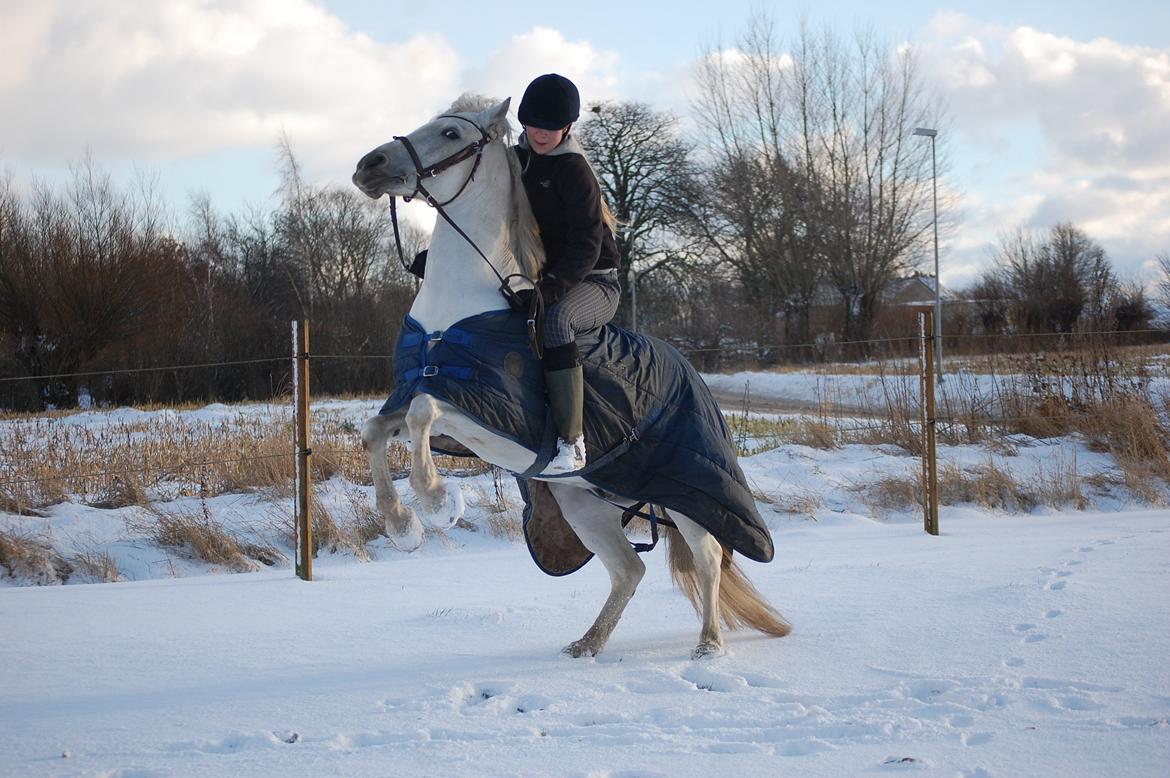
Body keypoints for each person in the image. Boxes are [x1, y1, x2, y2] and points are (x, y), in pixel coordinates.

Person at [513, 73, 621, 474]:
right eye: (534, 125)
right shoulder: (516, 161)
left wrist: (554, 287)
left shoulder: (573, 170)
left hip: (594, 280)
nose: (541, 134)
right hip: (545, 276)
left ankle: (572, 442)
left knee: (556, 321)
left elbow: (587, 243)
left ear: (568, 127)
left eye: (552, 127)